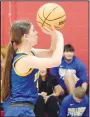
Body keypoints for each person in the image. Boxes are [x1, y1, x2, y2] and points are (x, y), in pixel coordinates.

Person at [1, 20, 64, 117]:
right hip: (19, 110)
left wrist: (54, 35)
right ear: (25, 36)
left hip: (22, 109)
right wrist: (60, 37)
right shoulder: (24, 60)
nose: (37, 32)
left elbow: (51, 53)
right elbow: (56, 61)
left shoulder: (30, 52)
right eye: (33, 30)